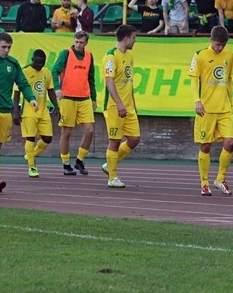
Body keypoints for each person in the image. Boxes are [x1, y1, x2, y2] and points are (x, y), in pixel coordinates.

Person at [0, 32, 38, 193]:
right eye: (3, 47)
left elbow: (23, 83)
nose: (6, 50)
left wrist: (31, 98)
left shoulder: (13, 63)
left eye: (9, 47)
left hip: (6, 111)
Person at [190, 25, 233, 196]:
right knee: (205, 145)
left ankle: (220, 179)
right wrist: (197, 101)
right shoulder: (200, 55)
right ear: (211, 40)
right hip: (206, 109)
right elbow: (194, 80)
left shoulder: (229, 56)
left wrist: (230, 101)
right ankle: (204, 183)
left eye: (223, 45)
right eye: (217, 44)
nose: (220, 48)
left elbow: (228, 79)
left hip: (224, 108)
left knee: (230, 142)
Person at [100, 25, 140, 188]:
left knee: (134, 139)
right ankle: (112, 177)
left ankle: (109, 164)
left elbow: (129, 83)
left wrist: (133, 105)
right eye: (134, 38)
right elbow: (109, 82)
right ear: (126, 38)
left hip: (129, 106)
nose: (135, 41)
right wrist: (119, 103)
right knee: (115, 141)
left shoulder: (130, 56)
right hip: (114, 106)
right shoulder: (111, 56)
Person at [51, 31, 96, 176]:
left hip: (84, 98)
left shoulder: (89, 56)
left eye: (81, 42)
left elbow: (91, 78)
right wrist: (57, 89)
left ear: (86, 43)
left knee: (90, 130)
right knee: (66, 132)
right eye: (76, 41)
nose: (78, 45)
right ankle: (66, 164)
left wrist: (94, 98)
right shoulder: (66, 53)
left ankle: (80, 160)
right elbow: (54, 71)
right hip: (68, 98)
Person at [13, 49, 58, 178]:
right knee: (30, 138)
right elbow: (17, 92)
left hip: (43, 111)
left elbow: (50, 90)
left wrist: (57, 107)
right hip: (29, 111)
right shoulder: (24, 72)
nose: (39, 65)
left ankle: (31, 154)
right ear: (32, 60)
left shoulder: (47, 72)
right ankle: (32, 167)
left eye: (42, 63)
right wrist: (16, 111)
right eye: (37, 62)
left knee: (48, 138)